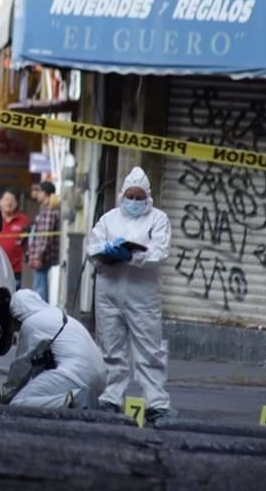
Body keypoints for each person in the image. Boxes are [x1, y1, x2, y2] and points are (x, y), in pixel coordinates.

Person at [87, 166, 174, 425]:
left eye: (139, 197)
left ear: (147, 197)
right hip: (108, 290)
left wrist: (133, 255)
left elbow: (160, 251)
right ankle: (110, 397)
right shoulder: (109, 219)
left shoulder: (158, 219)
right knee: (111, 347)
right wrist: (106, 253)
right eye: (130, 196)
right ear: (122, 195)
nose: (134, 201)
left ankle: (156, 403)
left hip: (142, 293)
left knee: (149, 350)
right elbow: (93, 248)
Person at [2, 289, 106, 409]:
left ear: (15, 313)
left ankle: (73, 400)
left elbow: (21, 367)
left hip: (74, 373)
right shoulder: (57, 315)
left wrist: (6, 394)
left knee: (18, 403)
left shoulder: (32, 323)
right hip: (99, 378)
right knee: (42, 395)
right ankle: (81, 400)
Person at [0, 189, 30, 290]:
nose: (9, 202)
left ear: (16, 204)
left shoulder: (23, 221)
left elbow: (30, 242)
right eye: (6, 199)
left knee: (13, 296)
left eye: (12, 200)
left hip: (14, 270)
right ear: (0, 202)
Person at [27, 180, 60, 303]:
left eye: (39, 191)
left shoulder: (48, 211)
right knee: (40, 285)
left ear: (45, 193)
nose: (37, 194)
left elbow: (45, 236)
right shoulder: (45, 209)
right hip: (40, 256)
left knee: (39, 288)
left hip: (42, 257)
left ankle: (41, 315)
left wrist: (38, 257)